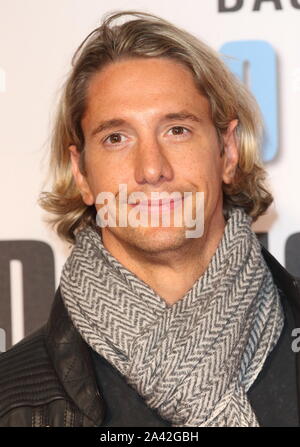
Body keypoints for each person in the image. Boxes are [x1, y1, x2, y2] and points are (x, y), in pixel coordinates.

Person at [0, 10, 299, 428]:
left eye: (177, 129)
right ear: (82, 173)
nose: (152, 168)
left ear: (227, 152)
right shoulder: (11, 398)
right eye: (116, 138)